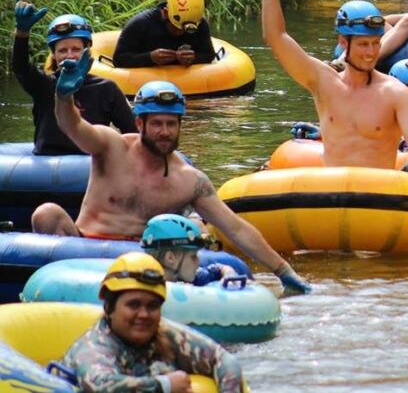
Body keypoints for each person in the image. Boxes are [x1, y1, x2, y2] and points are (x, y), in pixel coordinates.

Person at [31, 76, 311, 293]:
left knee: (199, 233)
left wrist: (283, 270)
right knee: (46, 213)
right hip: (82, 248)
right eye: (157, 124)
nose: (164, 132)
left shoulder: (191, 181)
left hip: (144, 260)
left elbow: (235, 227)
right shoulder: (110, 146)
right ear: (140, 123)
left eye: (171, 124)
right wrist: (64, 96)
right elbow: (72, 126)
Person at [252, 0, 408, 172]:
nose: (371, 52)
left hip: (378, 195)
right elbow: (276, 37)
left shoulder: (396, 92)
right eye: (363, 44)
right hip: (331, 193)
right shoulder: (322, 81)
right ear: (343, 42)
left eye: (376, 44)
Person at [63, 252, 244, 392]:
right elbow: (98, 385)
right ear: (109, 307)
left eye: (152, 306)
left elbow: (223, 359)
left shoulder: (167, 336)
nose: (144, 315)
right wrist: (164, 386)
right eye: (133, 305)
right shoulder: (95, 345)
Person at [12, 0, 136, 155]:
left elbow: (133, 133)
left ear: (87, 51)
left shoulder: (107, 89)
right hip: (45, 166)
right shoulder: (43, 85)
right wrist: (22, 33)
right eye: (62, 50)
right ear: (54, 55)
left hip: (91, 165)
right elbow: (21, 68)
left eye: (76, 49)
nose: (70, 55)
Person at [112, 0, 217, 68]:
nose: (180, 32)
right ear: (166, 13)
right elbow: (119, 59)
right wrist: (150, 58)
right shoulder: (140, 24)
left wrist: (194, 58)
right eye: (176, 28)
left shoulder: (200, 24)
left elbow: (209, 55)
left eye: (185, 30)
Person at [140, 214, 236, 286]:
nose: (198, 262)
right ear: (170, 258)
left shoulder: (190, 278)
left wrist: (229, 274)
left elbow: (217, 269)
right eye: (193, 256)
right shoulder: (145, 288)